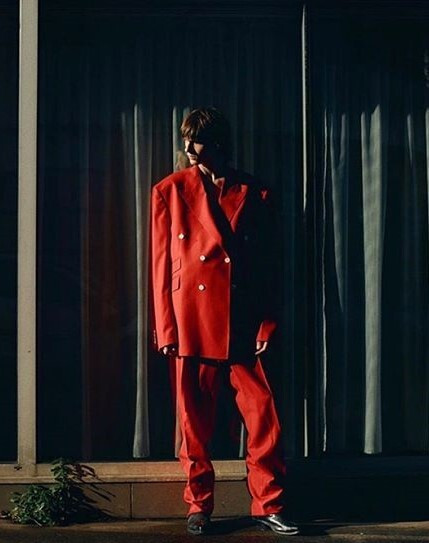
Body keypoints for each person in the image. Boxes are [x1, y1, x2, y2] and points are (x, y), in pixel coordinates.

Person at [150, 107, 299, 536]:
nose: (188, 148)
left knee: (264, 419)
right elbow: (160, 265)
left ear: (218, 142)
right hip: (192, 319)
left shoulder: (255, 192)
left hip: (244, 321)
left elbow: (270, 266)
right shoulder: (169, 191)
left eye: (196, 139)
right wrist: (166, 327)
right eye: (186, 139)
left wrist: (268, 322)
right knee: (193, 422)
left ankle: (268, 504)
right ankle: (198, 506)